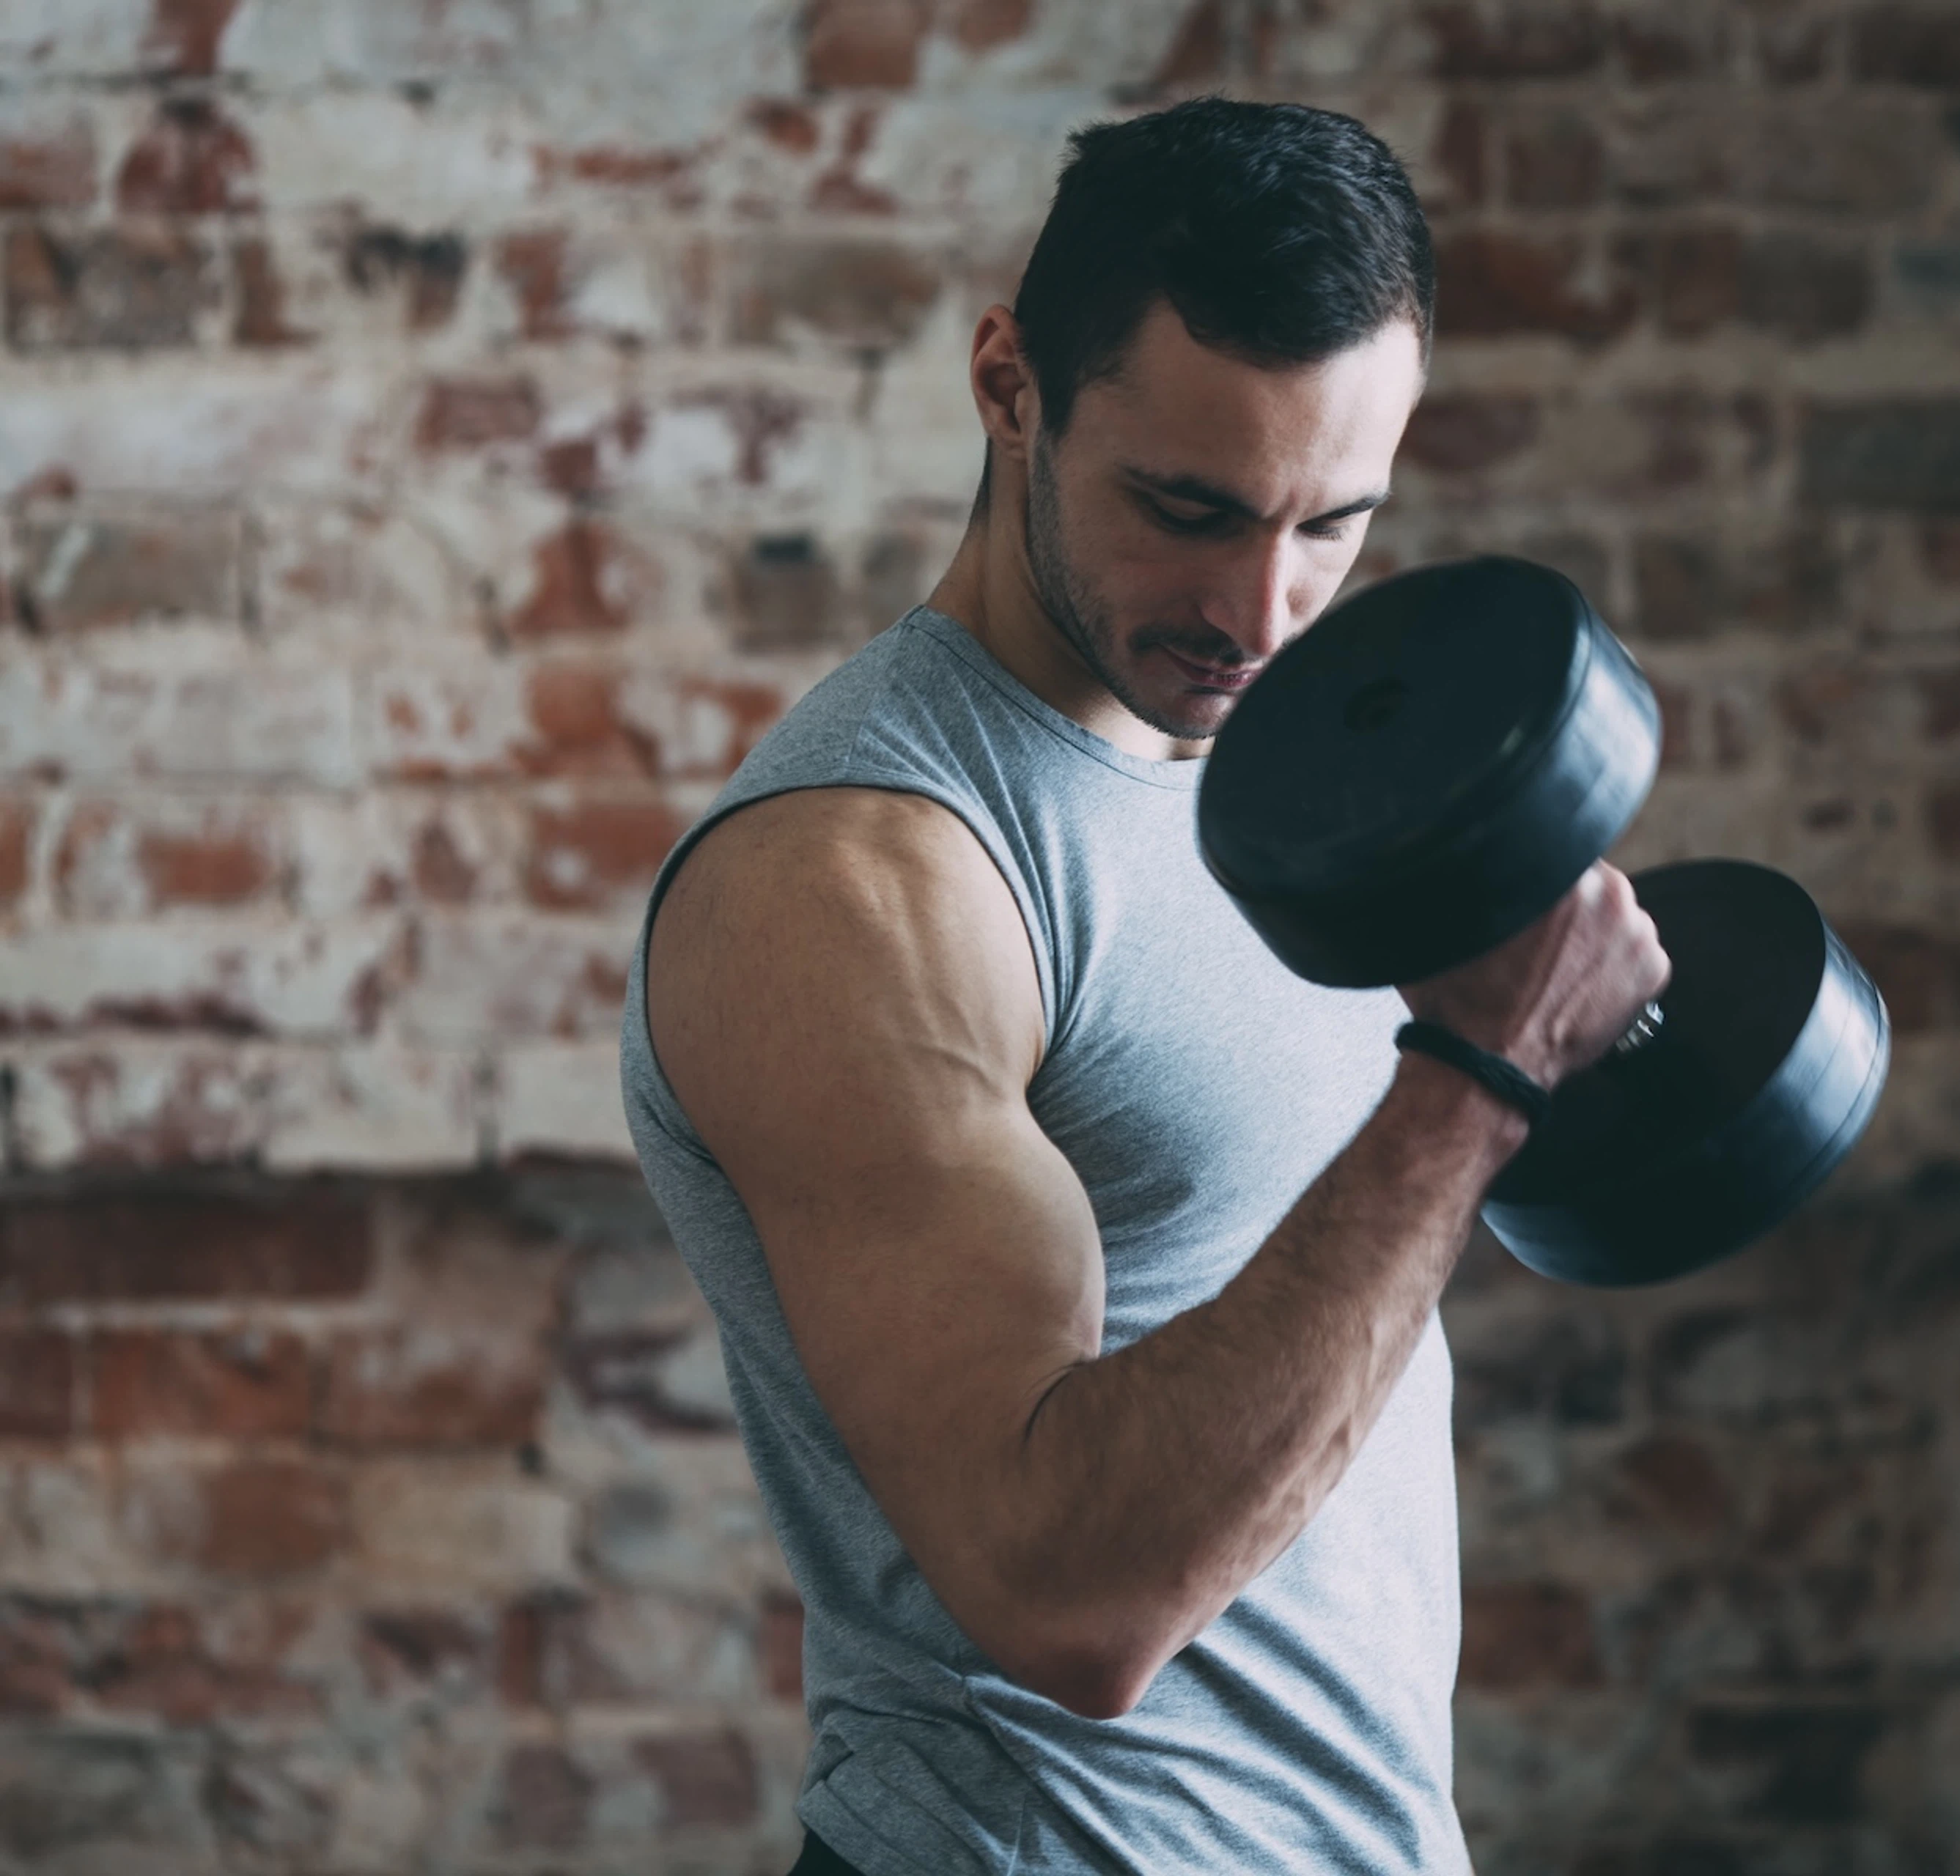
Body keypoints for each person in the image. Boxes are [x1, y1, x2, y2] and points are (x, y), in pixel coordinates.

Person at [622, 98, 1668, 1875]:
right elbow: (1068, 1590)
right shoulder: (861, 878)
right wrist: (1475, 1070)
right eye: (1186, 509)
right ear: (1009, 385)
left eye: (1330, 521)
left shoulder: (1270, 788)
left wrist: (1562, 1046)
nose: (1260, 610)